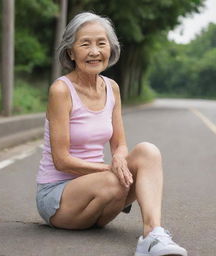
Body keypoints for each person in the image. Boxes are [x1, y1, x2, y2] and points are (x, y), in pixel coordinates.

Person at [36, 12, 188, 256]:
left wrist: (119, 158)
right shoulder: (61, 90)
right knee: (113, 181)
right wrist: (111, 169)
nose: (94, 51)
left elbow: (120, 144)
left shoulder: (112, 88)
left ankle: (153, 235)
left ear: (111, 48)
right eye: (85, 44)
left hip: (99, 190)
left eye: (101, 43)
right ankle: (117, 194)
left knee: (148, 152)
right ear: (70, 52)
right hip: (58, 197)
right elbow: (61, 160)